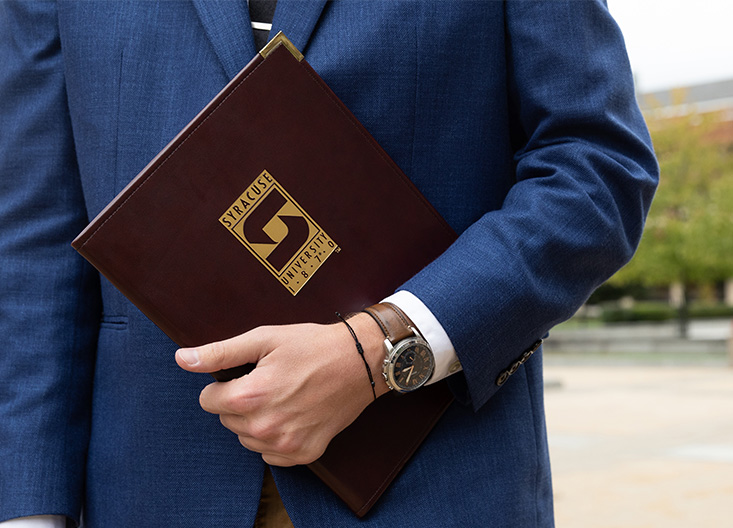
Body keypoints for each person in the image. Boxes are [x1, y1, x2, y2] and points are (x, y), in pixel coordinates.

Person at [0, 1, 658, 526]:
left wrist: (382, 348)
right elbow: (35, 241)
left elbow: (594, 171)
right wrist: (28, 512)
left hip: (433, 484)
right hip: (150, 488)